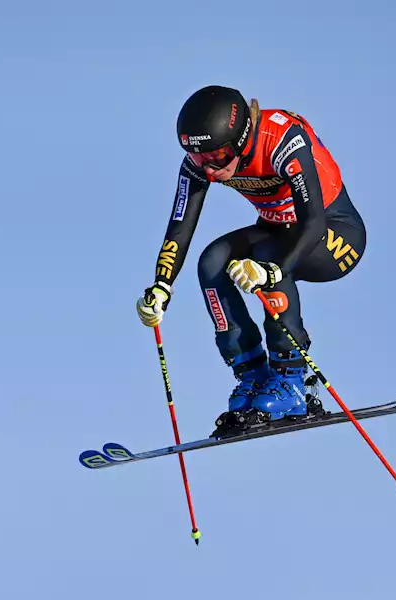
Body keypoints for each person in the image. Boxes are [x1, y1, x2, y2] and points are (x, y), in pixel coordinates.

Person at [136, 85, 367, 435]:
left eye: (217, 157)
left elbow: (313, 221)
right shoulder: (205, 159)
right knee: (212, 261)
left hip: (333, 235)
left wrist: (272, 271)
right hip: (277, 232)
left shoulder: (282, 139)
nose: (210, 169)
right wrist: (162, 285)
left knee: (268, 255)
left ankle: (291, 380)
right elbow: (180, 224)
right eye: (200, 159)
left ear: (242, 139)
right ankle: (254, 376)